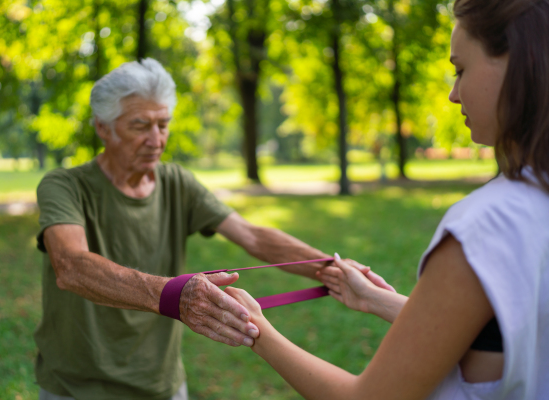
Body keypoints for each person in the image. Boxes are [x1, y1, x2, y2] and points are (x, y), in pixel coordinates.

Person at [225, 0, 549, 399]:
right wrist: (381, 301)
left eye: (460, 69)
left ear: (521, 64)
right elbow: (496, 332)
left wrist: (254, 328)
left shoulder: (484, 226)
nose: (452, 94)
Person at [34, 58, 392, 400]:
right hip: (77, 387)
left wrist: (330, 269)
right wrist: (176, 295)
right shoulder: (64, 186)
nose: (156, 139)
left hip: (160, 383)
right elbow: (71, 267)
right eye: (140, 126)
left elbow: (251, 235)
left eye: (163, 124)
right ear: (103, 127)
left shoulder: (176, 182)